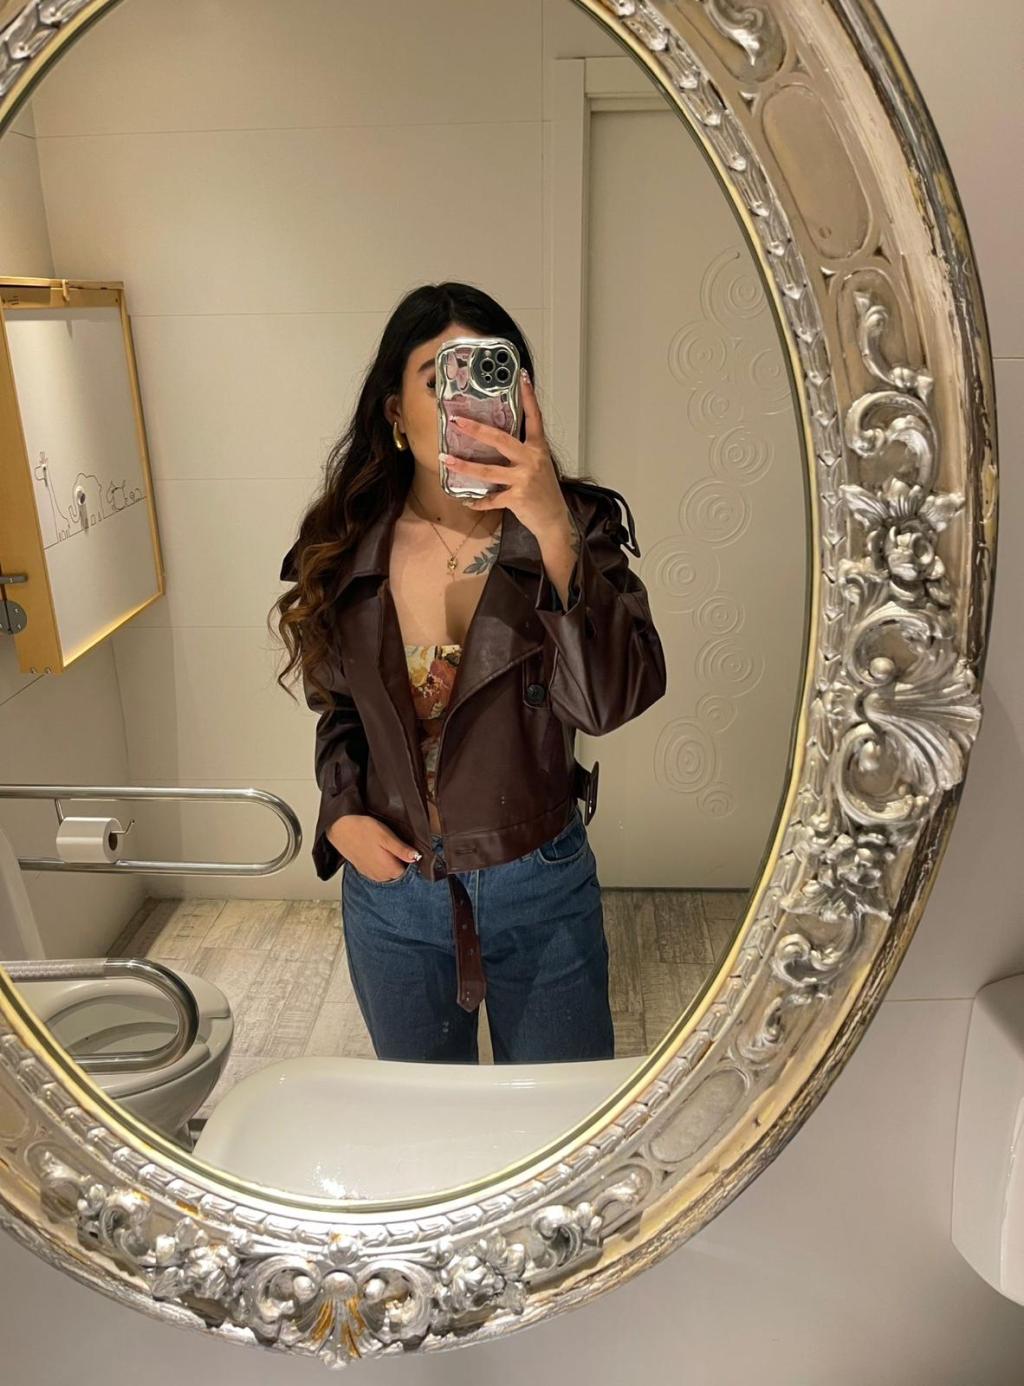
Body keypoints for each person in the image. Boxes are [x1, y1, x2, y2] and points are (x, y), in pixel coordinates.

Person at [275, 282, 667, 1064]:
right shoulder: (346, 542)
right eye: (440, 380)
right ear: (395, 411)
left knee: (558, 1116)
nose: (469, 404)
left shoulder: (577, 526)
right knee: (425, 1117)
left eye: (492, 375)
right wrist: (341, 811)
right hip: (392, 890)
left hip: (538, 880)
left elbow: (608, 703)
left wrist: (552, 531)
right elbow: (341, 710)